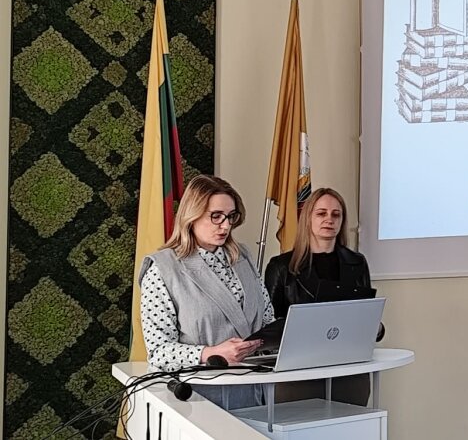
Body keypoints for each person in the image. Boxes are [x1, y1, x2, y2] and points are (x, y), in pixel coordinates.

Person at [138, 175, 272, 410]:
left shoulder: (244, 257)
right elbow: (159, 352)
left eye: (231, 216)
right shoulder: (162, 269)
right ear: (192, 215)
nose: (225, 225)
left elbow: (267, 319)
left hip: (255, 392)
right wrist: (210, 353)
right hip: (198, 399)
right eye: (216, 216)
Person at [264, 187, 379, 404]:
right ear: (308, 218)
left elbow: (364, 312)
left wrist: (374, 326)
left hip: (349, 372)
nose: (329, 219)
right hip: (297, 375)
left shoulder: (357, 262)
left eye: (336, 214)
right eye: (321, 213)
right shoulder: (281, 266)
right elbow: (269, 324)